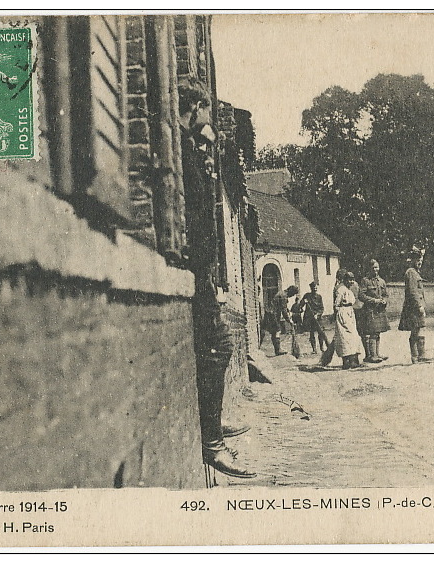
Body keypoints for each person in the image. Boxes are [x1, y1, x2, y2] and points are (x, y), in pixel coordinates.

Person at [178, 79, 253, 479]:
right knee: (220, 345)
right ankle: (213, 441)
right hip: (195, 269)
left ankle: (215, 424)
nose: (210, 121)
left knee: (216, 345)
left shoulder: (192, 150)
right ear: (197, 108)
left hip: (202, 270)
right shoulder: (183, 151)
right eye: (205, 111)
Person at [399, 250, 434, 363]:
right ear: (412, 260)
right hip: (413, 307)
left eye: (421, 260)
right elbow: (413, 291)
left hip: (416, 306)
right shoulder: (411, 272)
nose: (419, 262)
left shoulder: (415, 272)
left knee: (418, 329)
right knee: (416, 330)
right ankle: (417, 356)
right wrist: (419, 306)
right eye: (417, 260)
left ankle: (419, 355)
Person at [358, 259, 390, 363]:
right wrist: (374, 300)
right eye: (373, 268)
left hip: (380, 310)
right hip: (370, 310)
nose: (375, 270)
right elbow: (361, 295)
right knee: (372, 332)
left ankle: (377, 353)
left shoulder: (382, 281)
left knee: (378, 332)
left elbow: (385, 294)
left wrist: (384, 301)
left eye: (376, 267)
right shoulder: (365, 281)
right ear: (369, 269)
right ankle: (372, 356)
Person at [334, 272, 366, 369]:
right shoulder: (341, 290)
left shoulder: (349, 290)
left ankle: (354, 360)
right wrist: (342, 314)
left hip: (350, 313)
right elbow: (337, 304)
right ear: (345, 280)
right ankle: (346, 361)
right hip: (343, 314)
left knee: (353, 337)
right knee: (345, 337)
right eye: (349, 279)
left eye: (352, 279)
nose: (351, 281)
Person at [262, 286, 299, 356]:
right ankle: (278, 350)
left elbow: (284, 307)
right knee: (277, 331)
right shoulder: (284, 296)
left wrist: (288, 311)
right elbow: (284, 311)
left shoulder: (282, 293)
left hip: (269, 313)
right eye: (293, 294)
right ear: (291, 291)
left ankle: (277, 349)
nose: (292, 296)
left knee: (273, 332)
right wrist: (289, 321)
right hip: (273, 314)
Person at [294, 281, 329, 354]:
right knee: (312, 333)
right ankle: (314, 349)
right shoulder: (307, 296)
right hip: (309, 318)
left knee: (320, 332)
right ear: (311, 288)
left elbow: (321, 308)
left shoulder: (319, 297)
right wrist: (304, 302)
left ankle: (322, 348)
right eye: (313, 288)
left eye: (316, 288)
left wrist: (318, 314)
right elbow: (300, 305)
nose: (315, 289)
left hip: (317, 318)